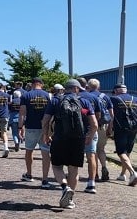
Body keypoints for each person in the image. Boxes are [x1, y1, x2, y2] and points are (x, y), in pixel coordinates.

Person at [42, 79, 98, 209]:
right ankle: (69, 200)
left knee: (56, 166)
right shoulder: (85, 102)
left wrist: (46, 134)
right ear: (77, 89)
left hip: (59, 138)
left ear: (64, 89)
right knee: (74, 169)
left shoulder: (55, 101)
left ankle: (64, 187)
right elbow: (94, 124)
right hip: (78, 140)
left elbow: (45, 120)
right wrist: (89, 136)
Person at [19, 77, 52, 188]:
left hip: (30, 126)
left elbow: (22, 113)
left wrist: (20, 127)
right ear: (41, 84)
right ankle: (45, 179)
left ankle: (29, 174)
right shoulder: (48, 95)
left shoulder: (25, 95)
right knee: (45, 153)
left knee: (29, 151)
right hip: (44, 128)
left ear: (32, 84)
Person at [107, 83, 137, 186]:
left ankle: (132, 172)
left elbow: (111, 115)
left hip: (120, 129)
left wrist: (109, 129)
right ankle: (122, 174)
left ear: (116, 91)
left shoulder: (113, 99)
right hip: (133, 129)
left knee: (121, 152)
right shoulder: (135, 99)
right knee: (127, 151)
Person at [76, 77, 100, 193]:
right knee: (91, 156)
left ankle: (73, 180)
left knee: (73, 155)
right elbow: (98, 115)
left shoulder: (74, 97)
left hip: (75, 131)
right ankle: (91, 183)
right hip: (91, 129)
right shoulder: (94, 97)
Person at [87, 78, 114, 182]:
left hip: (91, 126)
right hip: (103, 125)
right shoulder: (105, 97)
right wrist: (110, 128)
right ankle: (104, 167)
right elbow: (111, 114)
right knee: (101, 149)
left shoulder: (88, 97)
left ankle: (95, 174)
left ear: (88, 87)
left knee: (92, 151)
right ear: (99, 86)